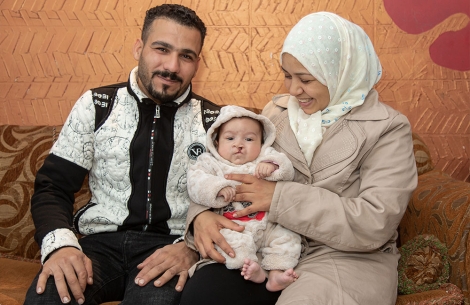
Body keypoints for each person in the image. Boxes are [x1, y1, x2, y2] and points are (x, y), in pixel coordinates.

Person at [181, 11, 418, 305]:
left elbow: (374, 221)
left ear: (341, 72)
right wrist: (200, 216)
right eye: (287, 75)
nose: (293, 90)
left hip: (343, 257)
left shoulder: (386, 128)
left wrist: (279, 198)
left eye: (305, 79)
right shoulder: (276, 113)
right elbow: (225, 165)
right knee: (202, 297)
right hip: (261, 245)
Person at [24, 4, 220, 305]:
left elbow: (232, 202)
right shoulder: (97, 105)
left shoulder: (215, 122)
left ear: (198, 63)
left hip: (170, 249)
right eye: (161, 49)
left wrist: (192, 247)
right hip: (98, 246)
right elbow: (53, 186)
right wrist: (61, 246)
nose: (172, 66)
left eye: (186, 56)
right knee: (50, 295)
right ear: (138, 47)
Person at [186, 105, 301, 292]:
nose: (239, 145)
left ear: (262, 142)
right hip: (232, 225)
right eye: (230, 138)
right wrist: (217, 187)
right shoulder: (210, 163)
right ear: (216, 142)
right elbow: (195, 183)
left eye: (249, 139)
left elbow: (287, 170)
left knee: (287, 236)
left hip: (267, 223)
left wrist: (272, 167)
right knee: (232, 243)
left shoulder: (264, 157)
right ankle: (250, 267)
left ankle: (276, 273)